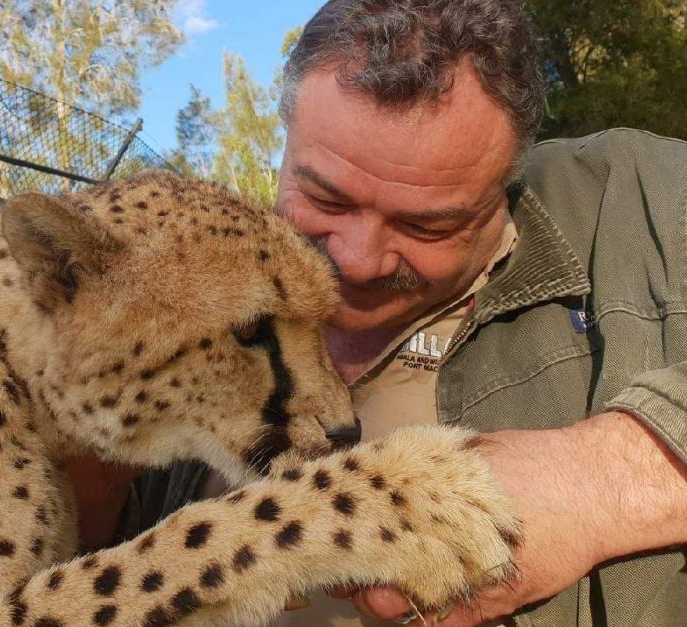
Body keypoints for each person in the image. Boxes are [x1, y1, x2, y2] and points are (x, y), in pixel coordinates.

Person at [76, 2, 686, 626]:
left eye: (429, 223)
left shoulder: (637, 193)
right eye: (324, 197)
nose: (359, 261)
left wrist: (600, 481)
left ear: (507, 178)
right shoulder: (199, 273)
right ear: (285, 142)